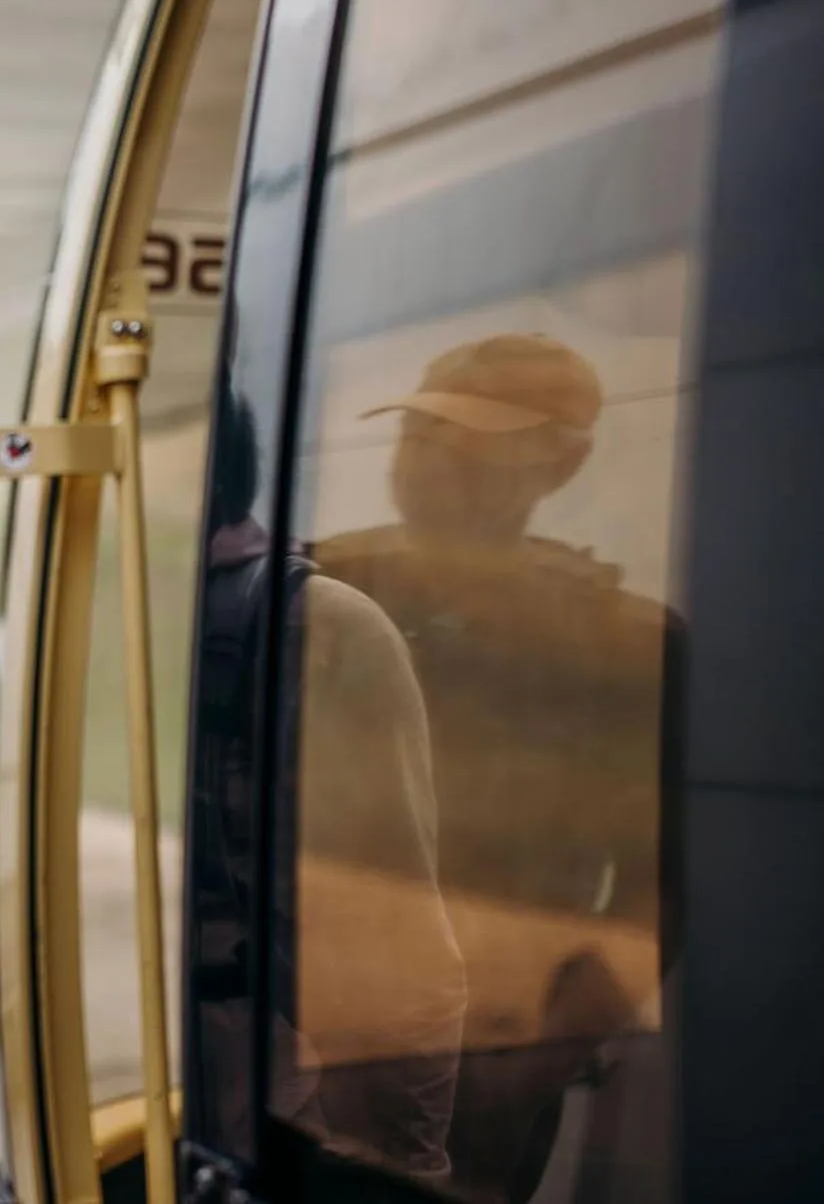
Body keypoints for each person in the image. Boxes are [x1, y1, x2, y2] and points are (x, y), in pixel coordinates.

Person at [313, 334, 669, 1199]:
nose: (432, 463)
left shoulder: (625, 644)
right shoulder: (319, 592)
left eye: (471, 441)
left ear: (560, 463)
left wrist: (550, 1045)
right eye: (418, 434)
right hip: (320, 1025)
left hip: (498, 1041)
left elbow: (661, 875)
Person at [188, 387, 465, 1189]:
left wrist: (405, 1168)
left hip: (277, 1116)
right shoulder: (123, 618)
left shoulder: (320, 627)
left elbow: (398, 937)